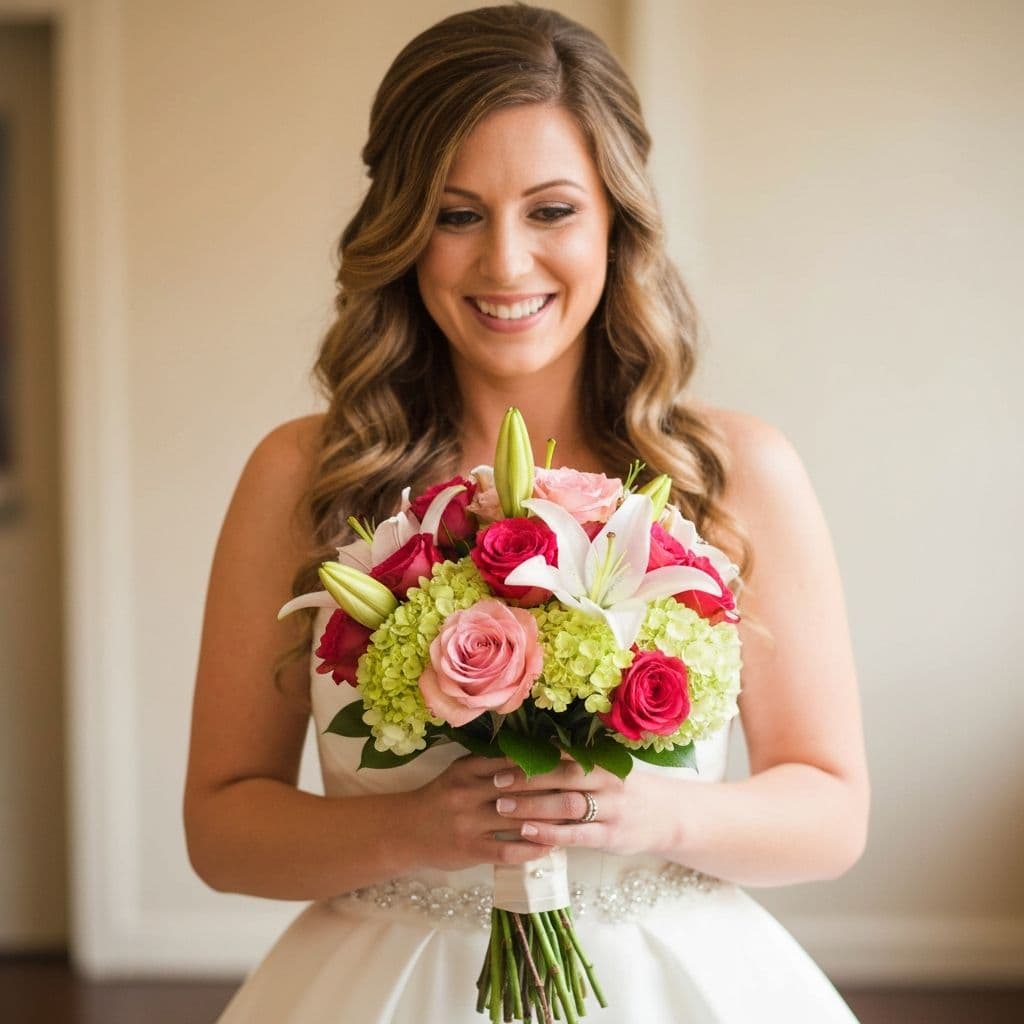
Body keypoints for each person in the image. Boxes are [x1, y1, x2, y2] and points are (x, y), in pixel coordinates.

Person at [184, 6, 869, 1022]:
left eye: (551, 210)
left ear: (614, 220)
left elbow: (830, 811)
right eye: (456, 214)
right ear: (403, 229)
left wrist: (645, 813)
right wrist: (414, 830)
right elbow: (221, 826)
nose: (505, 264)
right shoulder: (306, 475)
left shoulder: (732, 471)